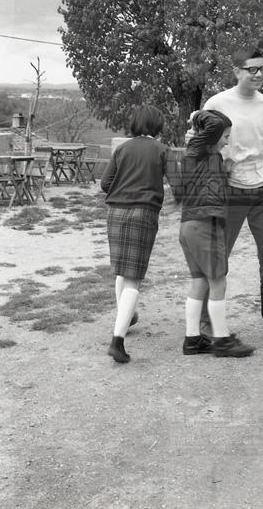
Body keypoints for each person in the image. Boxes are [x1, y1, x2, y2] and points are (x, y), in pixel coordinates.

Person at [202, 46, 263, 345]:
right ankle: (207, 324)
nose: (259, 74)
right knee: (218, 260)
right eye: (252, 69)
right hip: (230, 190)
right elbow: (201, 143)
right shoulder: (216, 103)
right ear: (237, 71)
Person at [170, 109, 255, 358]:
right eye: (226, 136)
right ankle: (221, 340)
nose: (227, 141)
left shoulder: (204, 154)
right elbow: (214, 123)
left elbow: (209, 181)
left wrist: (226, 168)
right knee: (218, 281)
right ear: (212, 134)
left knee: (200, 281)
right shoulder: (200, 147)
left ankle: (193, 339)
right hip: (205, 223)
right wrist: (197, 115)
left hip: (190, 224)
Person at [100, 104, 172, 363]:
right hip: (143, 213)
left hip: (115, 212)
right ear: (157, 125)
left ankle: (127, 316)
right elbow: (178, 184)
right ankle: (117, 341)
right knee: (134, 278)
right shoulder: (162, 150)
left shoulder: (122, 149)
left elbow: (105, 184)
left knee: (122, 270)